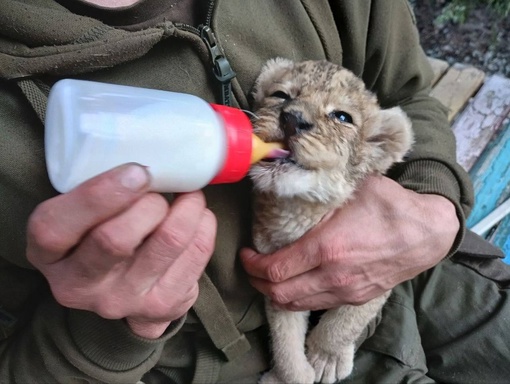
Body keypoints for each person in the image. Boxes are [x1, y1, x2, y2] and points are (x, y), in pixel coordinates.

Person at [0, 0, 509, 383]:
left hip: (419, 264)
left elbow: (404, 93)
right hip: (215, 363)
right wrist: (106, 334)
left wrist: (435, 204)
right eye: (282, 98)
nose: (291, 117)